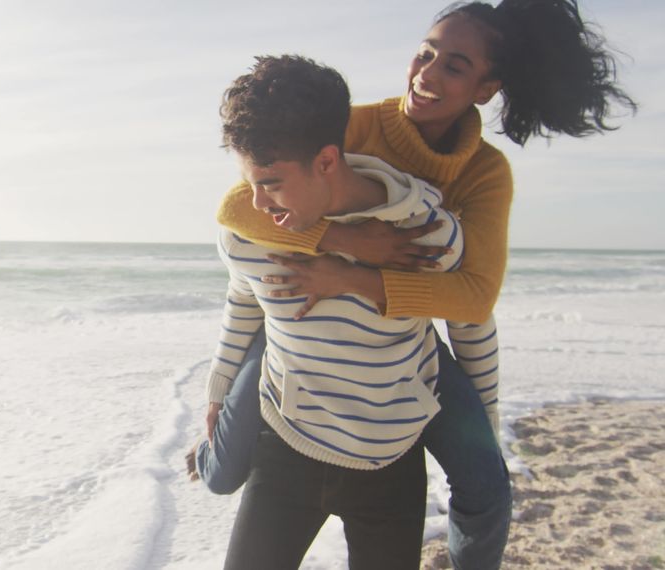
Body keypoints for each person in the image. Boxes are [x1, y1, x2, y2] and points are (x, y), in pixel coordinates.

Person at [192, 1, 635, 569]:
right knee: (227, 461)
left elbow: (473, 300)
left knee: (487, 482)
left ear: (485, 86)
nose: (426, 73)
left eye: (453, 65)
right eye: (424, 52)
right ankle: (209, 452)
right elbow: (242, 208)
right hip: (303, 318)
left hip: (404, 333)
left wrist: (356, 277)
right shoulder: (352, 125)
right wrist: (343, 241)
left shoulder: (483, 176)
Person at [208, 53, 472, 570]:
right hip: (286, 446)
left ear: (327, 161)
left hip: (390, 461)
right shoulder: (249, 234)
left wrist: (486, 417)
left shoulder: (422, 234)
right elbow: (243, 299)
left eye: (270, 182)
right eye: (249, 183)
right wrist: (218, 390)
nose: (257, 203)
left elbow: (469, 320)